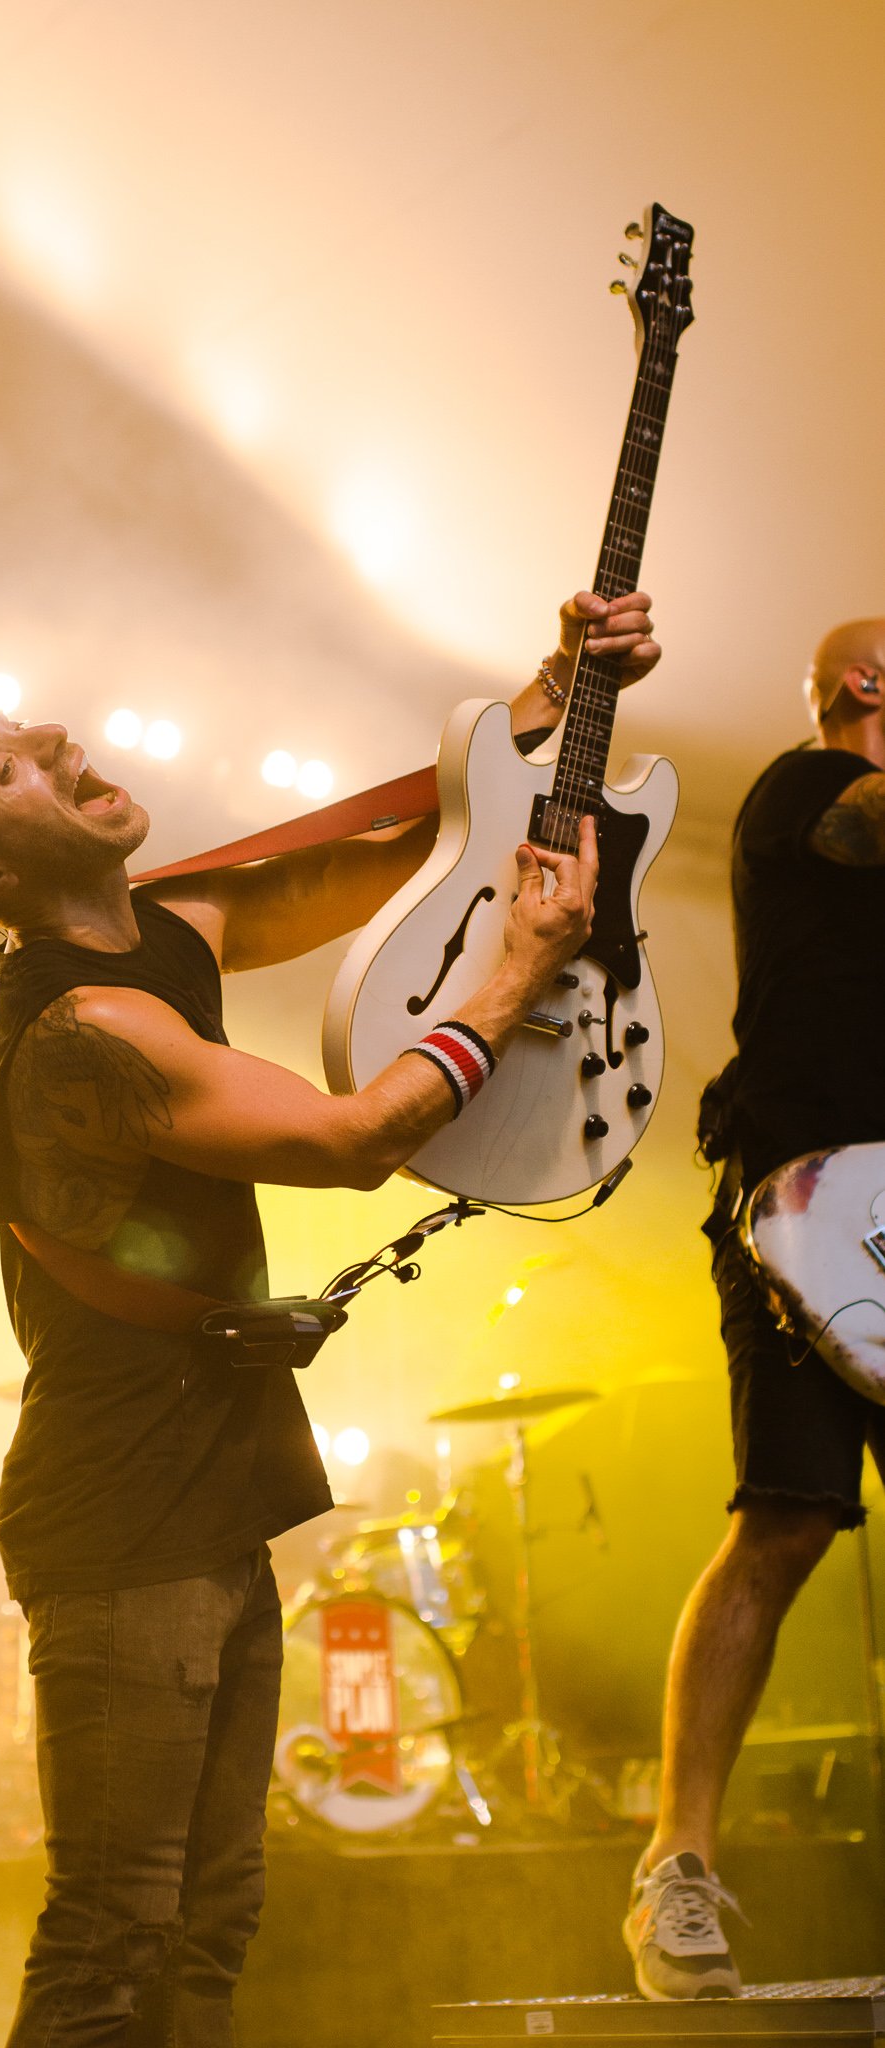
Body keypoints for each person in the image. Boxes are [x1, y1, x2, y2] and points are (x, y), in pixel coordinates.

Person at [0, 589, 658, 2046]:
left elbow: (415, 855)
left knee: (207, 1930)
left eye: (17, 730)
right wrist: (516, 969)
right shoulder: (85, 1032)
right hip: (118, 1521)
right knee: (113, 1933)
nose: (49, 736)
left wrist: (547, 705)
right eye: (3, 769)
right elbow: (351, 1138)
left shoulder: (167, 926)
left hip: (201, 1501)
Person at [624, 618, 885, 2002]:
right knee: (783, 1517)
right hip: (803, 1183)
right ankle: (678, 1865)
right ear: (866, 685)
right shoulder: (804, 788)